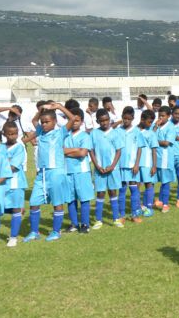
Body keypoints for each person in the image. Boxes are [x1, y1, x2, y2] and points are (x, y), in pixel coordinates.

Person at [24, 105, 73, 241]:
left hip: (56, 172)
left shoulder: (60, 132)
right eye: (43, 122)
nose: (44, 124)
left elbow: (72, 118)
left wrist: (59, 106)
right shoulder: (40, 131)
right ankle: (34, 232)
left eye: (47, 122)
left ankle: (56, 231)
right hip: (42, 173)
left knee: (57, 202)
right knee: (33, 202)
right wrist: (40, 111)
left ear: (55, 121)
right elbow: (34, 121)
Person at [60, 103, 96, 233]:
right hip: (67, 171)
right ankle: (74, 224)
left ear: (81, 122)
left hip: (82, 171)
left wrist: (66, 151)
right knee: (70, 198)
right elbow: (60, 151)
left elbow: (82, 153)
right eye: (72, 120)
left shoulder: (85, 136)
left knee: (84, 198)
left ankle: (85, 224)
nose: (74, 123)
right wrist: (75, 150)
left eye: (77, 120)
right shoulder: (65, 135)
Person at [0, 121, 29, 247]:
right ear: (4, 134)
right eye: (9, 134)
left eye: (14, 134)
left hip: (16, 183)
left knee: (16, 208)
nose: (12, 136)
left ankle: (13, 237)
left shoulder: (20, 147)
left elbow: (13, 167)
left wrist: (2, 164)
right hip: (1, 183)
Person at [90, 108, 125, 228]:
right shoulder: (94, 133)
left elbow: (118, 151)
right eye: (101, 121)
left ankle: (115, 218)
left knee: (112, 192)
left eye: (106, 120)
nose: (104, 123)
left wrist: (113, 165)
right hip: (99, 169)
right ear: (97, 121)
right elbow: (91, 151)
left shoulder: (115, 133)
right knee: (100, 193)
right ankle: (98, 220)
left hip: (112, 169)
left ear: (110, 120)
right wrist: (97, 166)